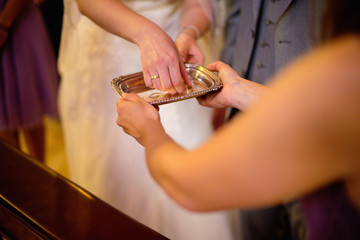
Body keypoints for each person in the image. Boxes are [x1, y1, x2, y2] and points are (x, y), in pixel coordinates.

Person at [115, 0, 360, 239]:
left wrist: (147, 128)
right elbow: (311, 116)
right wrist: (238, 91)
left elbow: (191, 186)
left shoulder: (343, 78)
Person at [58, 0, 240, 239]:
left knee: (190, 174)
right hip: (105, 57)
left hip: (175, 52)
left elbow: (201, 3)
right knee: (109, 182)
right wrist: (147, 33)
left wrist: (188, 32)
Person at [215, 0, 326, 239]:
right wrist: (227, 78)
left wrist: (151, 133)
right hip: (245, 116)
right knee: (256, 225)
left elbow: (190, 188)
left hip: (315, 124)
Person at [0, 0, 59, 163]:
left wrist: (3, 23)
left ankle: (40, 174)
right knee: (3, 115)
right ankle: (17, 179)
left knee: (30, 107)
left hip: (17, 18)